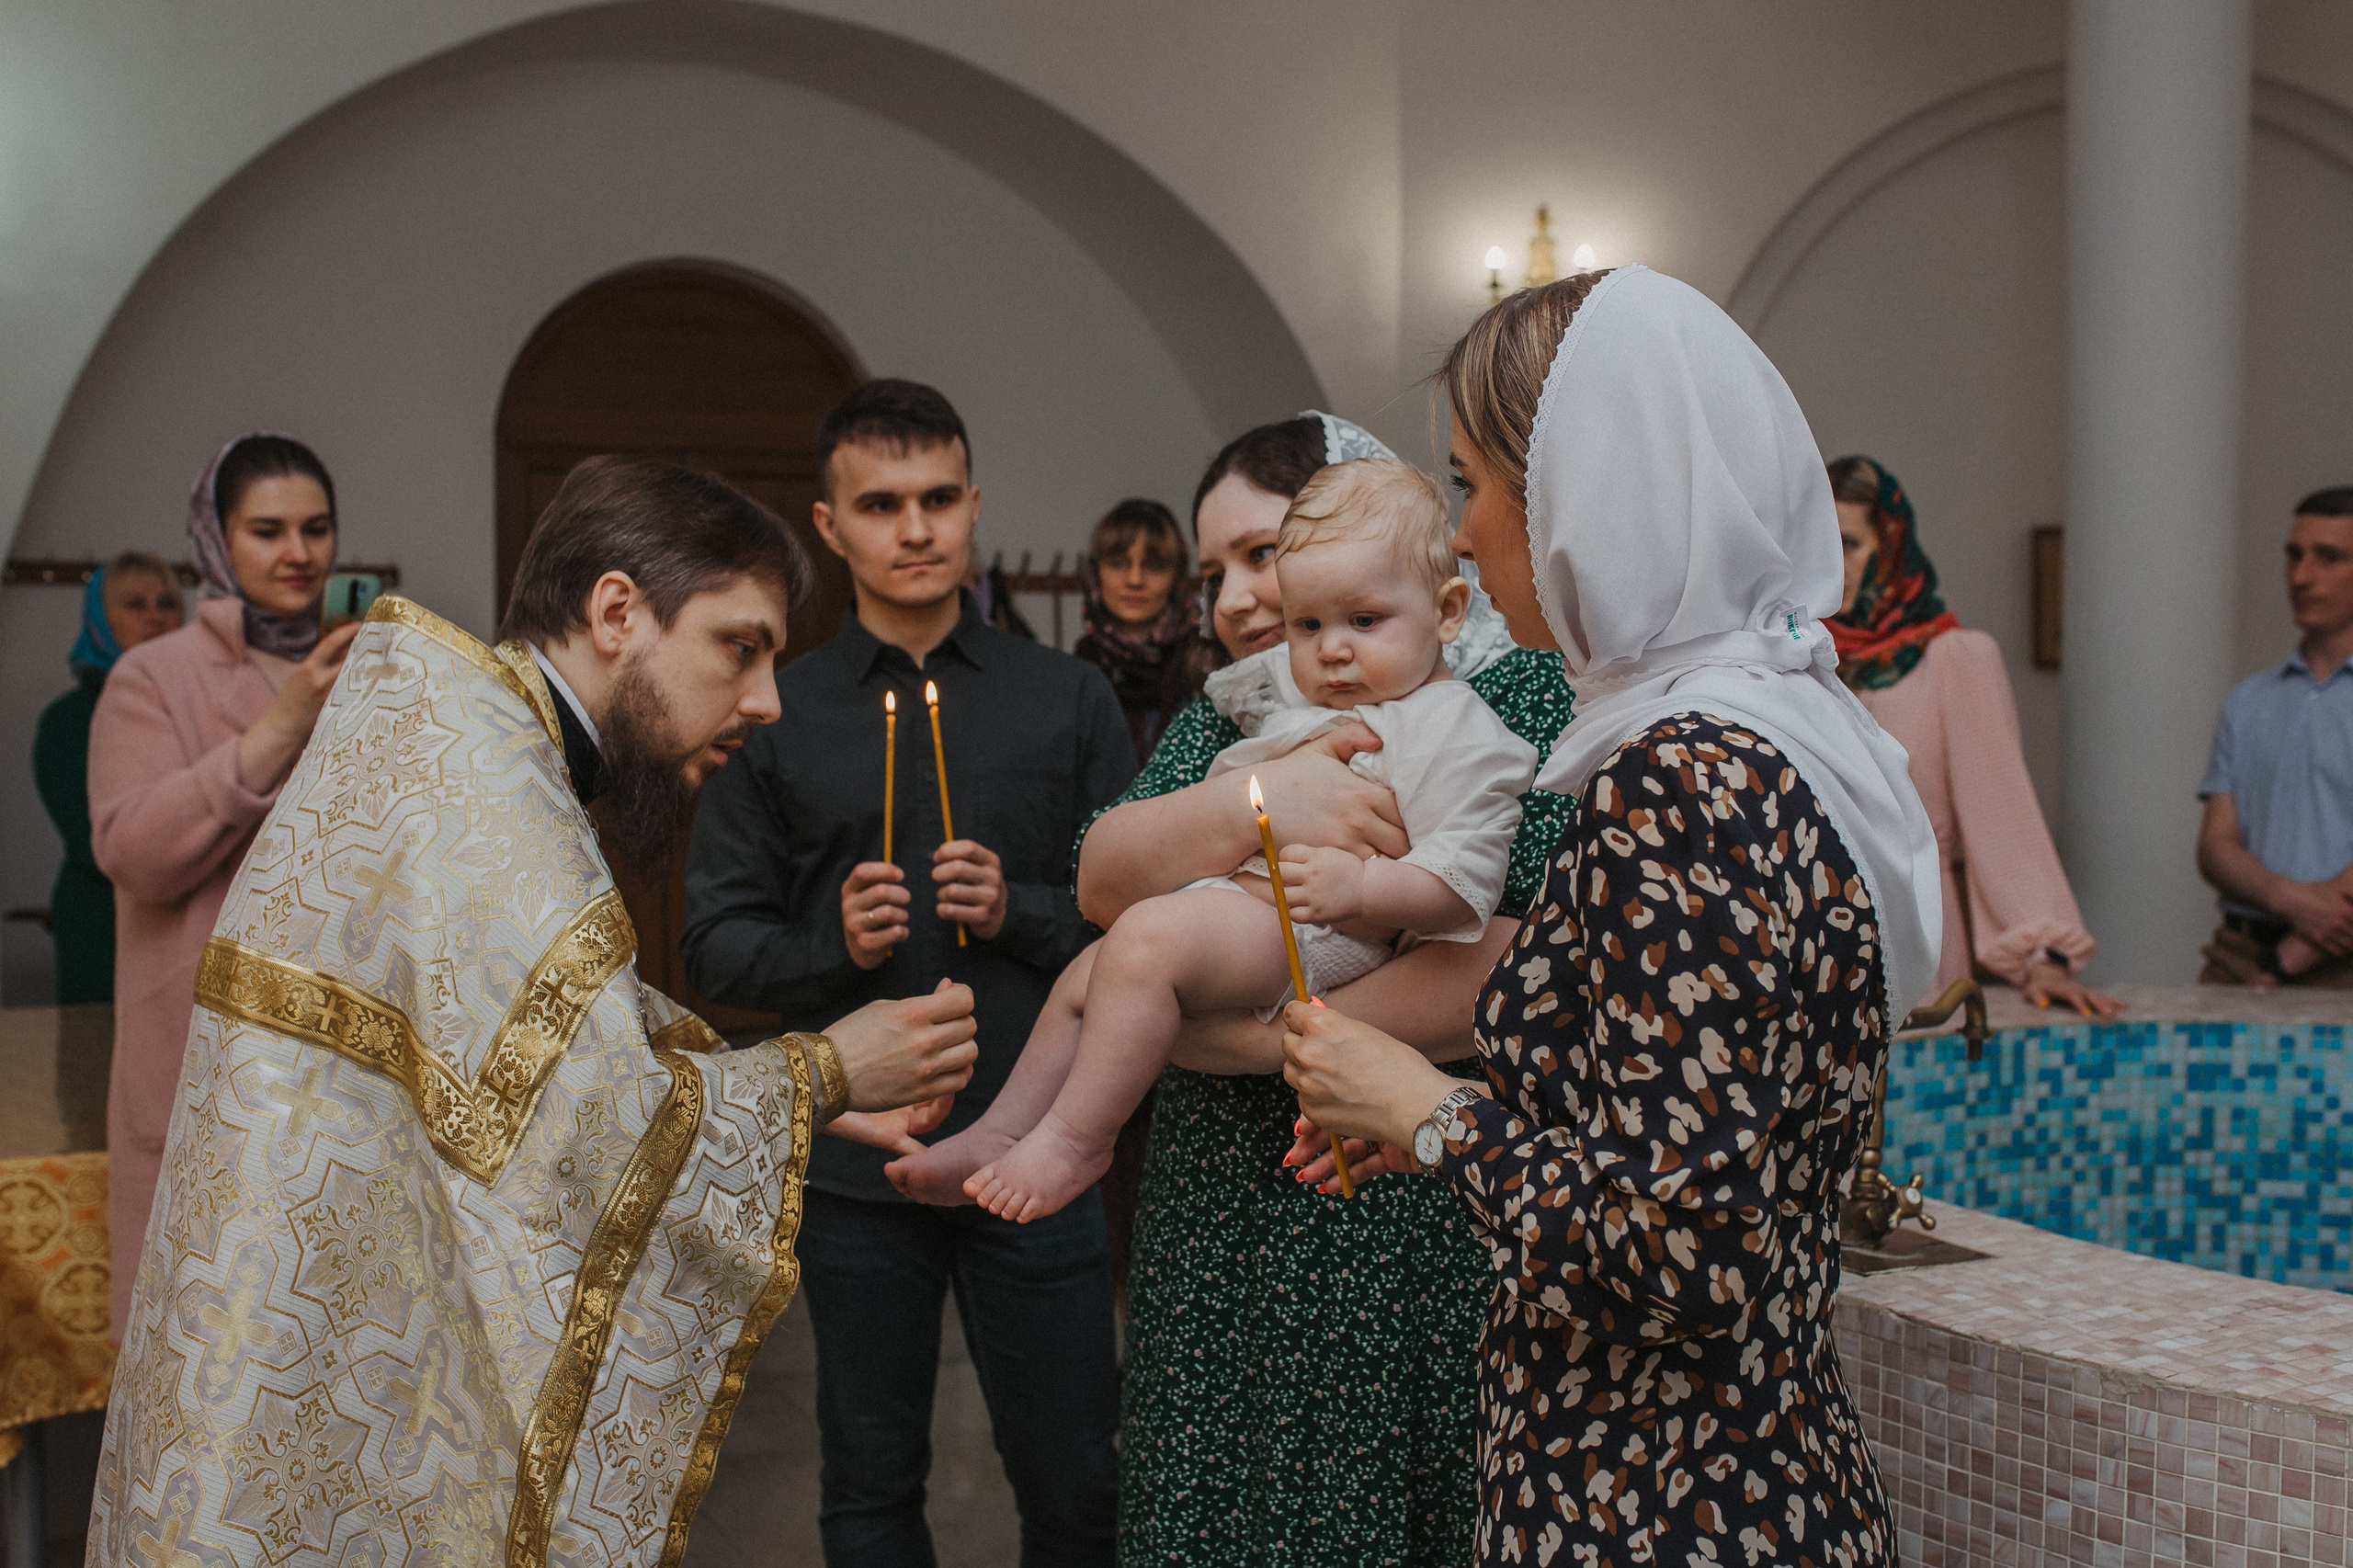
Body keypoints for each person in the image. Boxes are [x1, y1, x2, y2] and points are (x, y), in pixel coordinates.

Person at [88, 455, 981, 1566]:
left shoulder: (466, 737)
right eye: (739, 646)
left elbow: (531, 1041)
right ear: (616, 611)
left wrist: (781, 1095)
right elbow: (586, 1118)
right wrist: (820, 1073)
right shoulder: (488, 784)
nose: (766, 699)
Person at [1279, 266, 1942, 1564]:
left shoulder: (1682, 777)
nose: (1460, 533)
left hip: (1658, 1502)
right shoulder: (1776, 733)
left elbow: (1677, 1254)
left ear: (1582, 486)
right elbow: (1691, 1137)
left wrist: (1429, 1105)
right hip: (1746, 1471)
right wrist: (1443, 1135)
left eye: (1470, 483)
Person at [1073, 411, 1574, 1565]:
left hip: (1389, 1194)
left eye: (1260, 554)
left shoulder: (1519, 701)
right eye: (1218, 572)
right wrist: (1259, 805)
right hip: (1216, 1199)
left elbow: (1495, 968)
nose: (1237, 597)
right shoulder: (1248, 702)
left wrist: (1245, 1041)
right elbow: (1100, 877)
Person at [680, 380, 1131, 1566]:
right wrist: (837, 940)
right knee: (872, 1478)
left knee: (1079, 1474)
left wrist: (1025, 907)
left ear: (976, 505)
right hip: (856, 1170)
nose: (916, 528)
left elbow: (1152, 932)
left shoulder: (1067, 697)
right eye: (882, 504)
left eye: (939, 498)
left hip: (1036, 1147)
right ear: (830, 526)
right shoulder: (773, 709)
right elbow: (713, 947)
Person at [900, 458, 1536, 1223]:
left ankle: (1079, 1139)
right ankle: (1001, 1129)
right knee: (1086, 976)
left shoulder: (1457, 726)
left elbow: (1465, 883)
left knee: (1144, 945)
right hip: (1243, 910)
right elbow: (1098, 874)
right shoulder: (1308, 691)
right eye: (1308, 624)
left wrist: (1361, 889)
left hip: (1323, 929)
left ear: (1447, 612)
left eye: (1362, 621)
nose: (1331, 649)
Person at [88, 434, 361, 1341]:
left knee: (318, 1369)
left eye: (315, 528)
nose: (298, 553)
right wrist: (285, 721)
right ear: (217, 540)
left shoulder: (365, 671)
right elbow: (133, 850)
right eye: (268, 530)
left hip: (336, 1069)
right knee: (194, 1370)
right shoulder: (152, 676)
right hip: (200, 1070)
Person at [1826, 454, 2121, 1015]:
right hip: (1806, 937)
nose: (1832, 562)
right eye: (1818, 541)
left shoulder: (1955, 659)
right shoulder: (1791, 657)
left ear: (1890, 547)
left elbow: (2003, 812)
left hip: (1915, 931)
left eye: (1849, 543)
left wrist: (2041, 953)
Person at [2197, 486, 2353, 985]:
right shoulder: (2249, 699)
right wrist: (2287, 896)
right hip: (2238, 950)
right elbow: (2216, 846)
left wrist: (2286, 960)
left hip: (2335, 960)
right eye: (2294, 555)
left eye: (2328, 558)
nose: (2301, 576)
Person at [32, 551, 182, 1004]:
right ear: (101, 620)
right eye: (135, 605)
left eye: (167, 603)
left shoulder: (193, 708)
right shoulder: (71, 719)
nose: (156, 616)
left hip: (187, 919)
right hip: (104, 921)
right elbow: (95, 841)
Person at [1071, 497, 1208, 763]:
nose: (1135, 580)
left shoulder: (1203, 662)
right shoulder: (1078, 669)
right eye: (1118, 563)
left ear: (1177, 575)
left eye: (1154, 566)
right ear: (1096, 571)